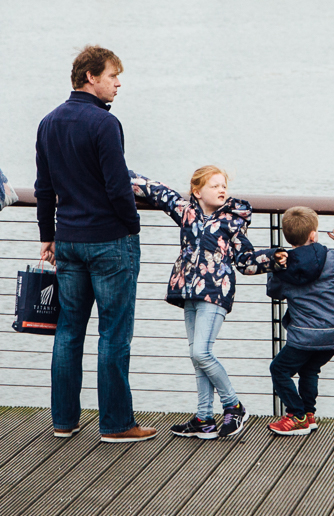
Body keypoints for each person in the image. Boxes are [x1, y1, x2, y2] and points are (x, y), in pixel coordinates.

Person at [35, 45, 156, 443]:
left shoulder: (48, 123)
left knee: (68, 332)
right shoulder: (105, 124)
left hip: (68, 240)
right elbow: (118, 187)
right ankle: (117, 424)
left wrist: (47, 237)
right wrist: (132, 225)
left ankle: (64, 421)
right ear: (90, 77)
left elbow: (44, 189)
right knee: (114, 334)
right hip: (108, 241)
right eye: (112, 76)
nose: (118, 84)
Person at [138, 167, 271, 440]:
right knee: (197, 357)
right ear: (197, 192)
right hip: (188, 292)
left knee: (201, 353)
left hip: (216, 292)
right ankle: (204, 418)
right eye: (214, 186)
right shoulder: (186, 212)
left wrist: (273, 258)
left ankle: (234, 406)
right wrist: (117, 170)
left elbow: (245, 261)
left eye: (224, 186)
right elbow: (157, 191)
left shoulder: (232, 221)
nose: (222, 190)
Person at [266, 205, 334, 435]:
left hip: (304, 335)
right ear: (313, 234)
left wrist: (273, 266)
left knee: (279, 369)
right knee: (310, 369)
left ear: (287, 236)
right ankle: (308, 414)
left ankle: (297, 415)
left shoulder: (284, 265)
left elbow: (274, 292)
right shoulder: (330, 257)